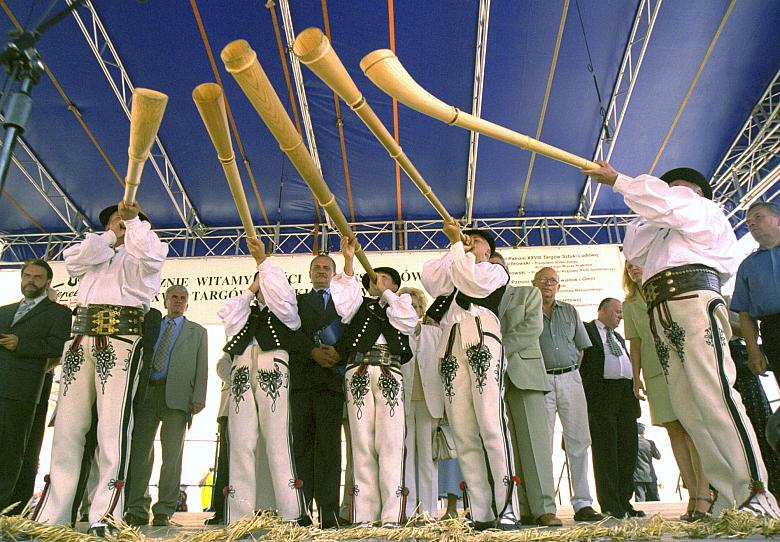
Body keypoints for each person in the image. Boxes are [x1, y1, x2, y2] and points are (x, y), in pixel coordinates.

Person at [583, 161, 778, 515]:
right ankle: (728, 497)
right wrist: (647, 208)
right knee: (689, 406)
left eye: (674, 188)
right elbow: (634, 248)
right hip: (662, 307)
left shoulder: (702, 210)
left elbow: (671, 205)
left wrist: (619, 179)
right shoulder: (660, 227)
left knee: (714, 394)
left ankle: (755, 490)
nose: (667, 194)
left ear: (696, 191)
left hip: (692, 299)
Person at [36, 201, 168, 536]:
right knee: (68, 427)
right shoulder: (96, 250)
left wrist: (134, 223)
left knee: (113, 428)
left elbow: (151, 255)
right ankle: (53, 515)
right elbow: (72, 260)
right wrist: (110, 236)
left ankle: (105, 515)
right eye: (113, 221)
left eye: (125, 221)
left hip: (121, 339)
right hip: (81, 337)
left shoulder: (145, 254)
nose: (118, 225)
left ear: (139, 225)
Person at [421, 222, 520, 531]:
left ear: (487, 250)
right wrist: (455, 248)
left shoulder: (493, 270)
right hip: (449, 341)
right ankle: (481, 510)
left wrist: (460, 250)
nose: (467, 243)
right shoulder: (455, 266)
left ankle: (507, 508)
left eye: (474, 241)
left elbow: (471, 284)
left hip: (480, 333)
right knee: (463, 432)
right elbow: (431, 278)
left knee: (491, 423)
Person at [219, 237, 307, 525]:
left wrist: (264, 266)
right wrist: (251, 290)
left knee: (277, 438)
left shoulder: (284, 310)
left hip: (272, 362)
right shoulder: (246, 310)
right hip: (243, 364)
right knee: (241, 440)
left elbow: (284, 303)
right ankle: (240, 514)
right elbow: (228, 316)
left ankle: (292, 513)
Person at [332, 236, 417, 526]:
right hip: (358, 370)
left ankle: (392, 514)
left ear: (393, 284)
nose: (376, 283)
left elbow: (408, 321)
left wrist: (388, 295)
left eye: (383, 279)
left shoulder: (400, 303)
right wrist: (348, 261)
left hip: (390, 371)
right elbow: (343, 302)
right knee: (362, 442)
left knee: (391, 442)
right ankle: (364, 514)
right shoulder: (359, 304)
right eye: (373, 279)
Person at [623, 262, 712, 521]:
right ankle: (693, 494)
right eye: (629, 267)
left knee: (693, 427)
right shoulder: (629, 304)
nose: (634, 270)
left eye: (638, 264)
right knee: (674, 430)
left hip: (681, 365)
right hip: (654, 372)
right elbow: (635, 344)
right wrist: (635, 377)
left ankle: (705, 494)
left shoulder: (666, 291)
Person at [123, 285, 208, 527]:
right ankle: (137, 507)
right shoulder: (151, 326)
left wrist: (199, 397)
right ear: (165, 300)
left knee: (172, 455)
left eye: (183, 298)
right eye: (174, 297)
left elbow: (202, 367)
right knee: (140, 453)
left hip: (179, 398)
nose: (178, 301)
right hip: (148, 392)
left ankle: (164, 510)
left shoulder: (198, 332)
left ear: (188, 303)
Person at [490, 252, 561, 527]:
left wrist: (497, 350)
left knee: (535, 444)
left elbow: (532, 327)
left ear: (507, 270)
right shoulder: (478, 300)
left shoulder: (526, 293)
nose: (492, 272)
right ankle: (519, 508)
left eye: (497, 266)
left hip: (525, 374)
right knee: (506, 447)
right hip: (492, 382)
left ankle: (545, 507)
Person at [532, 266, 603, 522]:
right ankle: (546, 507)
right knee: (543, 444)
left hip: (571, 378)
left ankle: (583, 504)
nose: (548, 285)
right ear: (534, 284)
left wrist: (569, 373)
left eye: (553, 281)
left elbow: (582, 348)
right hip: (541, 382)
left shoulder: (570, 311)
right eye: (543, 280)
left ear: (559, 286)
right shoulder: (528, 312)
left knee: (579, 442)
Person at [0, 261, 71, 513]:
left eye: (37, 277)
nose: (31, 281)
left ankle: (9, 509)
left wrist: (21, 343)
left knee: (16, 451)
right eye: (27, 276)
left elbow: (57, 346)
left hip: (26, 391)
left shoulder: (59, 313)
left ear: (47, 282)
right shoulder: (4, 311)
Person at [289, 252, 346, 529]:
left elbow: (353, 332)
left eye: (326, 268)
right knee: (301, 448)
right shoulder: (296, 302)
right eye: (317, 268)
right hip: (302, 383)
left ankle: (329, 514)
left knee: (330, 451)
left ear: (334, 274)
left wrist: (339, 353)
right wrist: (312, 351)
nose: (321, 271)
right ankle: (301, 512)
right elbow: (289, 333)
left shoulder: (346, 302)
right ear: (309, 274)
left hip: (332, 383)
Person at [581, 298, 642, 518]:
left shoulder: (617, 337)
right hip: (601, 396)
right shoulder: (587, 330)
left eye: (622, 313)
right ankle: (609, 503)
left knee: (628, 449)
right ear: (603, 310)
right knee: (606, 451)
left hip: (624, 396)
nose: (620, 316)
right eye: (617, 312)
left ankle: (625, 501)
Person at [398, 287, 443, 519]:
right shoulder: (396, 332)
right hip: (402, 403)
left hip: (428, 403)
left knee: (427, 457)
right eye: (407, 305)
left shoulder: (435, 333)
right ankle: (407, 509)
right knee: (405, 456)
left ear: (422, 309)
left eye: (416, 306)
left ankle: (429, 511)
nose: (412, 310)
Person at [731, 202, 780, 385]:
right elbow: (744, 313)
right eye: (748, 223)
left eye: (758, 217)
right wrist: (753, 351)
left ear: (778, 219)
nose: (752, 224)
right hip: (774, 333)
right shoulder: (747, 267)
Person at [634, 423, 661, 502]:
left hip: (637, 475)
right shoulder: (650, 443)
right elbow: (658, 456)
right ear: (643, 432)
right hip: (650, 475)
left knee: (640, 500)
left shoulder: (632, 443)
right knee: (654, 500)